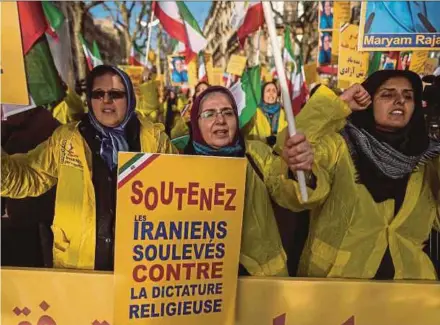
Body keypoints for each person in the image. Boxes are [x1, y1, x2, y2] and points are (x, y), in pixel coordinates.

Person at [1, 65, 177, 270]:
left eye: (116, 94)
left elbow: (183, 192)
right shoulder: (67, 138)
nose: (106, 100)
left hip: (139, 271)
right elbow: (28, 176)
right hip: (80, 267)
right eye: (98, 94)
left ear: (129, 96)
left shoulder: (155, 141)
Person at [270, 70, 440, 280]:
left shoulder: (428, 160)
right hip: (338, 286)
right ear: (368, 101)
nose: (399, 101)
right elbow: (293, 144)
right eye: (387, 95)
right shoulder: (340, 146)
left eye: (408, 96)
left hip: (408, 292)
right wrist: (338, 104)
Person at [184, 86, 288, 276]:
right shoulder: (177, 163)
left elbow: (289, 191)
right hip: (199, 283)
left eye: (228, 113)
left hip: (260, 278)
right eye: (209, 114)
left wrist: (298, 169)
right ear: (195, 122)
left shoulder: (257, 155)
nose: (220, 120)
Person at [1, 107, 60, 268]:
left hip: (29, 217)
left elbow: (28, 175)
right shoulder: (57, 127)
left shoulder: (60, 132)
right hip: (36, 215)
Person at [243, 82, 287, 147]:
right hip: (258, 152)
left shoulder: (283, 113)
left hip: (279, 152)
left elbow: (287, 132)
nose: (271, 93)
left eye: (274, 91)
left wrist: (277, 139)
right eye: (268, 91)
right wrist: (265, 140)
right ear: (262, 94)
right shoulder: (254, 112)